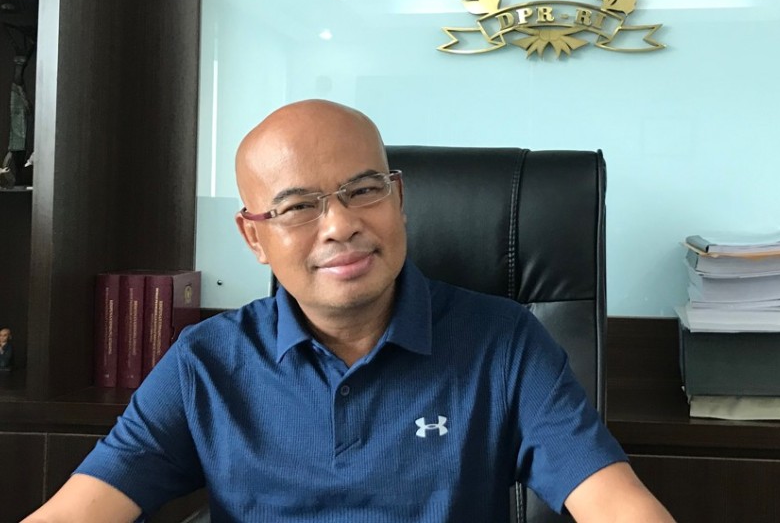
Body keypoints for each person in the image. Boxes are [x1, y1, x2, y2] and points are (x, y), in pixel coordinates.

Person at [24, 100, 674, 522]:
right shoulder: (206, 365)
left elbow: (618, 505)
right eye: (298, 206)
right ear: (254, 236)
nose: (340, 225)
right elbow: (79, 511)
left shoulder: (503, 343)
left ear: (397, 199)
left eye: (363, 191)